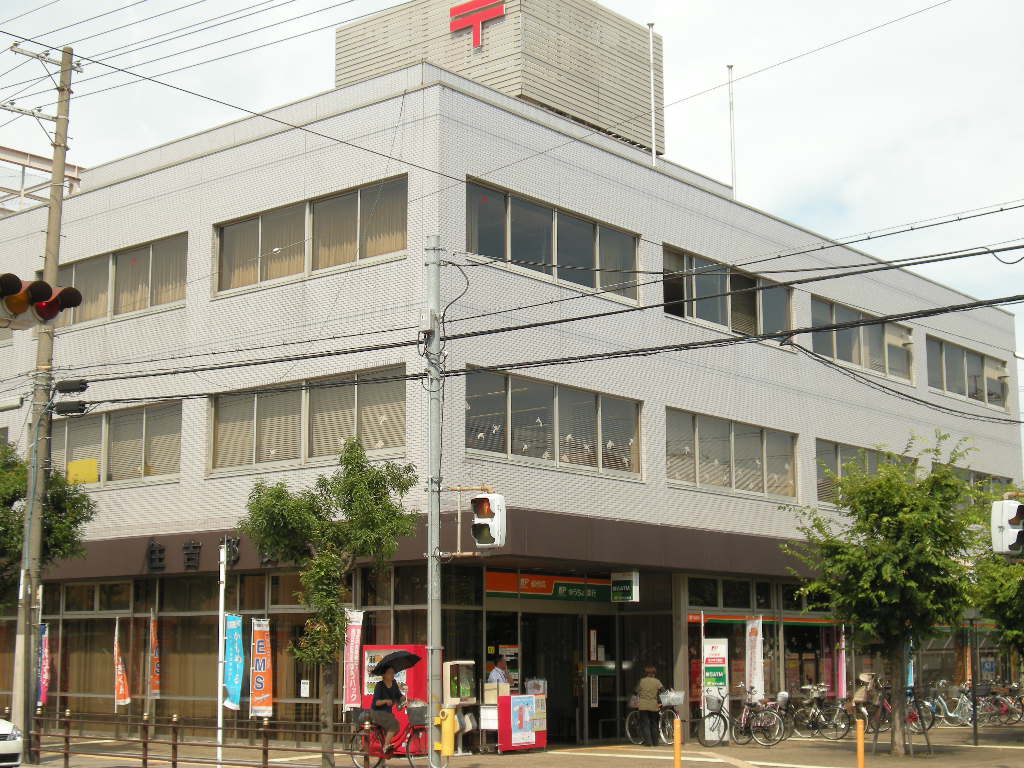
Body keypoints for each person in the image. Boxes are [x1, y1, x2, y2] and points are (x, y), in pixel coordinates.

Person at [371, 666, 404, 754]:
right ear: (384, 675)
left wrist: (403, 697)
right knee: (394, 725)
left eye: (393, 673)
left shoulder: (394, 683)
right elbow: (376, 702)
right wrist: (385, 701)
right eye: (389, 673)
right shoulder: (380, 685)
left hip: (387, 714)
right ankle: (385, 745)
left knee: (397, 727)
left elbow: (398, 696)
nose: (392, 675)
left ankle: (383, 753)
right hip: (377, 713)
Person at [634, 665, 664, 747]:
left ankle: (648, 743)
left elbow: (636, 691)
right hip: (654, 705)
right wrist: (660, 702)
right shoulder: (657, 681)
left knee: (645, 724)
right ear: (654, 673)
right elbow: (663, 691)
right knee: (654, 724)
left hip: (643, 706)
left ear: (646, 673)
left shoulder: (642, 681)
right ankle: (655, 742)